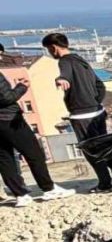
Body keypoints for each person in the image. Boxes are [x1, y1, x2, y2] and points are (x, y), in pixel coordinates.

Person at [42, 33, 112, 193]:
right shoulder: (82, 61)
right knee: (106, 146)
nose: (49, 52)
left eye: (48, 49)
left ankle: (105, 184)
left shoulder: (65, 61)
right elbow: (100, 86)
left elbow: (65, 74)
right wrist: (95, 102)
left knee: (92, 150)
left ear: (53, 48)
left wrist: (60, 79)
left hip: (82, 115)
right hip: (97, 111)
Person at [0, 70, 73, 206]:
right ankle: (48, 189)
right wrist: (22, 87)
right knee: (34, 153)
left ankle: (20, 195)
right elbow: (6, 98)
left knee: (5, 159)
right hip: (9, 120)